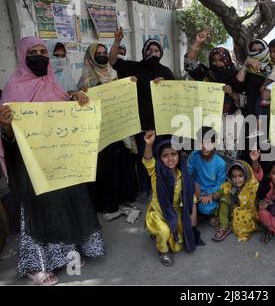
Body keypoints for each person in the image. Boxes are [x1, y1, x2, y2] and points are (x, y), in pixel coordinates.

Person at [0, 37, 104, 285]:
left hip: (60, 160)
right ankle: (36, 265)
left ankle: (67, 254)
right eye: (33, 52)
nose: (39, 55)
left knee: (64, 204)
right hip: (32, 164)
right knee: (37, 210)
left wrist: (78, 99)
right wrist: (5, 126)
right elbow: (9, 138)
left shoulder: (54, 85)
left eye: (42, 51)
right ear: (23, 56)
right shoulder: (13, 88)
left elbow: (68, 116)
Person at [110, 28, 176, 200]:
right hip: (141, 124)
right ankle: (146, 189)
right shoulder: (134, 67)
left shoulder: (166, 72)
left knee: (164, 156)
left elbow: (176, 95)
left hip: (162, 125)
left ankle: (164, 187)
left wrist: (166, 85)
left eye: (156, 51)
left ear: (161, 53)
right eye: (149, 50)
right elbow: (113, 61)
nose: (153, 53)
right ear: (143, 52)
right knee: (143, 158)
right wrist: (117, 42)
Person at [78, 43, 138, 217]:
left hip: (118, 127)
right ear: (90, 56)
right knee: (106, 165)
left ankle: (125, 198)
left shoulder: (113, 73)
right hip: (101, 131)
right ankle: (108, 203)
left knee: (123, 162)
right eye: (98, 53)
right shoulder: (85, 79)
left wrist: (129, 84)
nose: (103, 55)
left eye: (105, 52)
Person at [142, 131, 203, 266]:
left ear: (179, 155)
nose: (170, 159)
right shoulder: (156, 172)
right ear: (160, 158)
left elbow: (190, 194)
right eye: (165, 156)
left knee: (178, 244)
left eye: (173, 154)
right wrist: (149, 145)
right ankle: (162, 251)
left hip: (175, 212)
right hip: (158, 213)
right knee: (164, 232)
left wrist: (193, 213)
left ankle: (160, 234)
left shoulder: (183, 174)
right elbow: (148, 161)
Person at [184, 29, 245, 117]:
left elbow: (247, 100)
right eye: (214, 60)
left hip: (232, 120)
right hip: (207, 118)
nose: (217, 64)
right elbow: (190, 64)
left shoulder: (238, 75)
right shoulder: (207, 75)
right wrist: (197, 43)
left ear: (227, 60)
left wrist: (232, 93)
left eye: (221, 60)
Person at [212, 150, 264, 242]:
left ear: (246, 175)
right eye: (234, 176)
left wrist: (255, 161)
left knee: (241, 216)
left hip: (250, 214)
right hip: (235, 210)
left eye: (240, 176)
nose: (237, 179)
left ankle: (228, 223)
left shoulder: (252, 187)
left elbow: (258, 174)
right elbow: (224, 189)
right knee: (224, 199)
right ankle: (224, 226)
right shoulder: (232, 186)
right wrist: (215, 195)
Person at [187, 127, 227, 222]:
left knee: (206, 208)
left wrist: (210, 195)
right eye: (202, 143)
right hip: (195, 189)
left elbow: (220, 184)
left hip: (210, 192)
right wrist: (194, 185)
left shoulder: (220, 163)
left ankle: (208, 210)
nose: (205, 147)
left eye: (209, 143)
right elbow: (188, 173)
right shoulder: (194, 155)